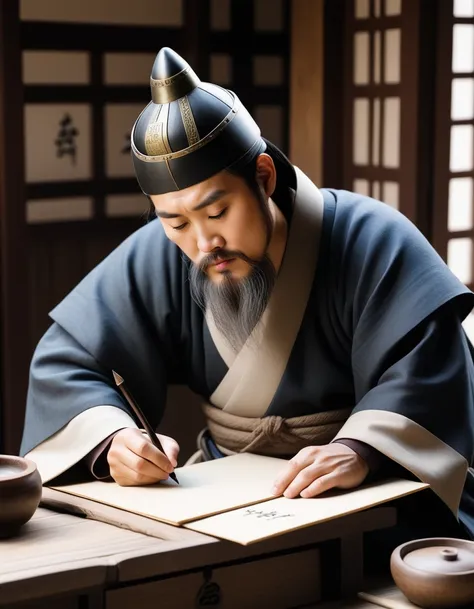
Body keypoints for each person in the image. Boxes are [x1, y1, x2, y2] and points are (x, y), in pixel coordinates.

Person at [21, 48, 474, 561]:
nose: (202, 243)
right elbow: (69, 359)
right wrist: (113, 440)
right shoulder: (164, 254)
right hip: (225, 504)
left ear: (263, 177)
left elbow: (430, 368)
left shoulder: (370, 239)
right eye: (176, 223)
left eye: (217, 211)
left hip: (369, 504)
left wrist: (363, 449)